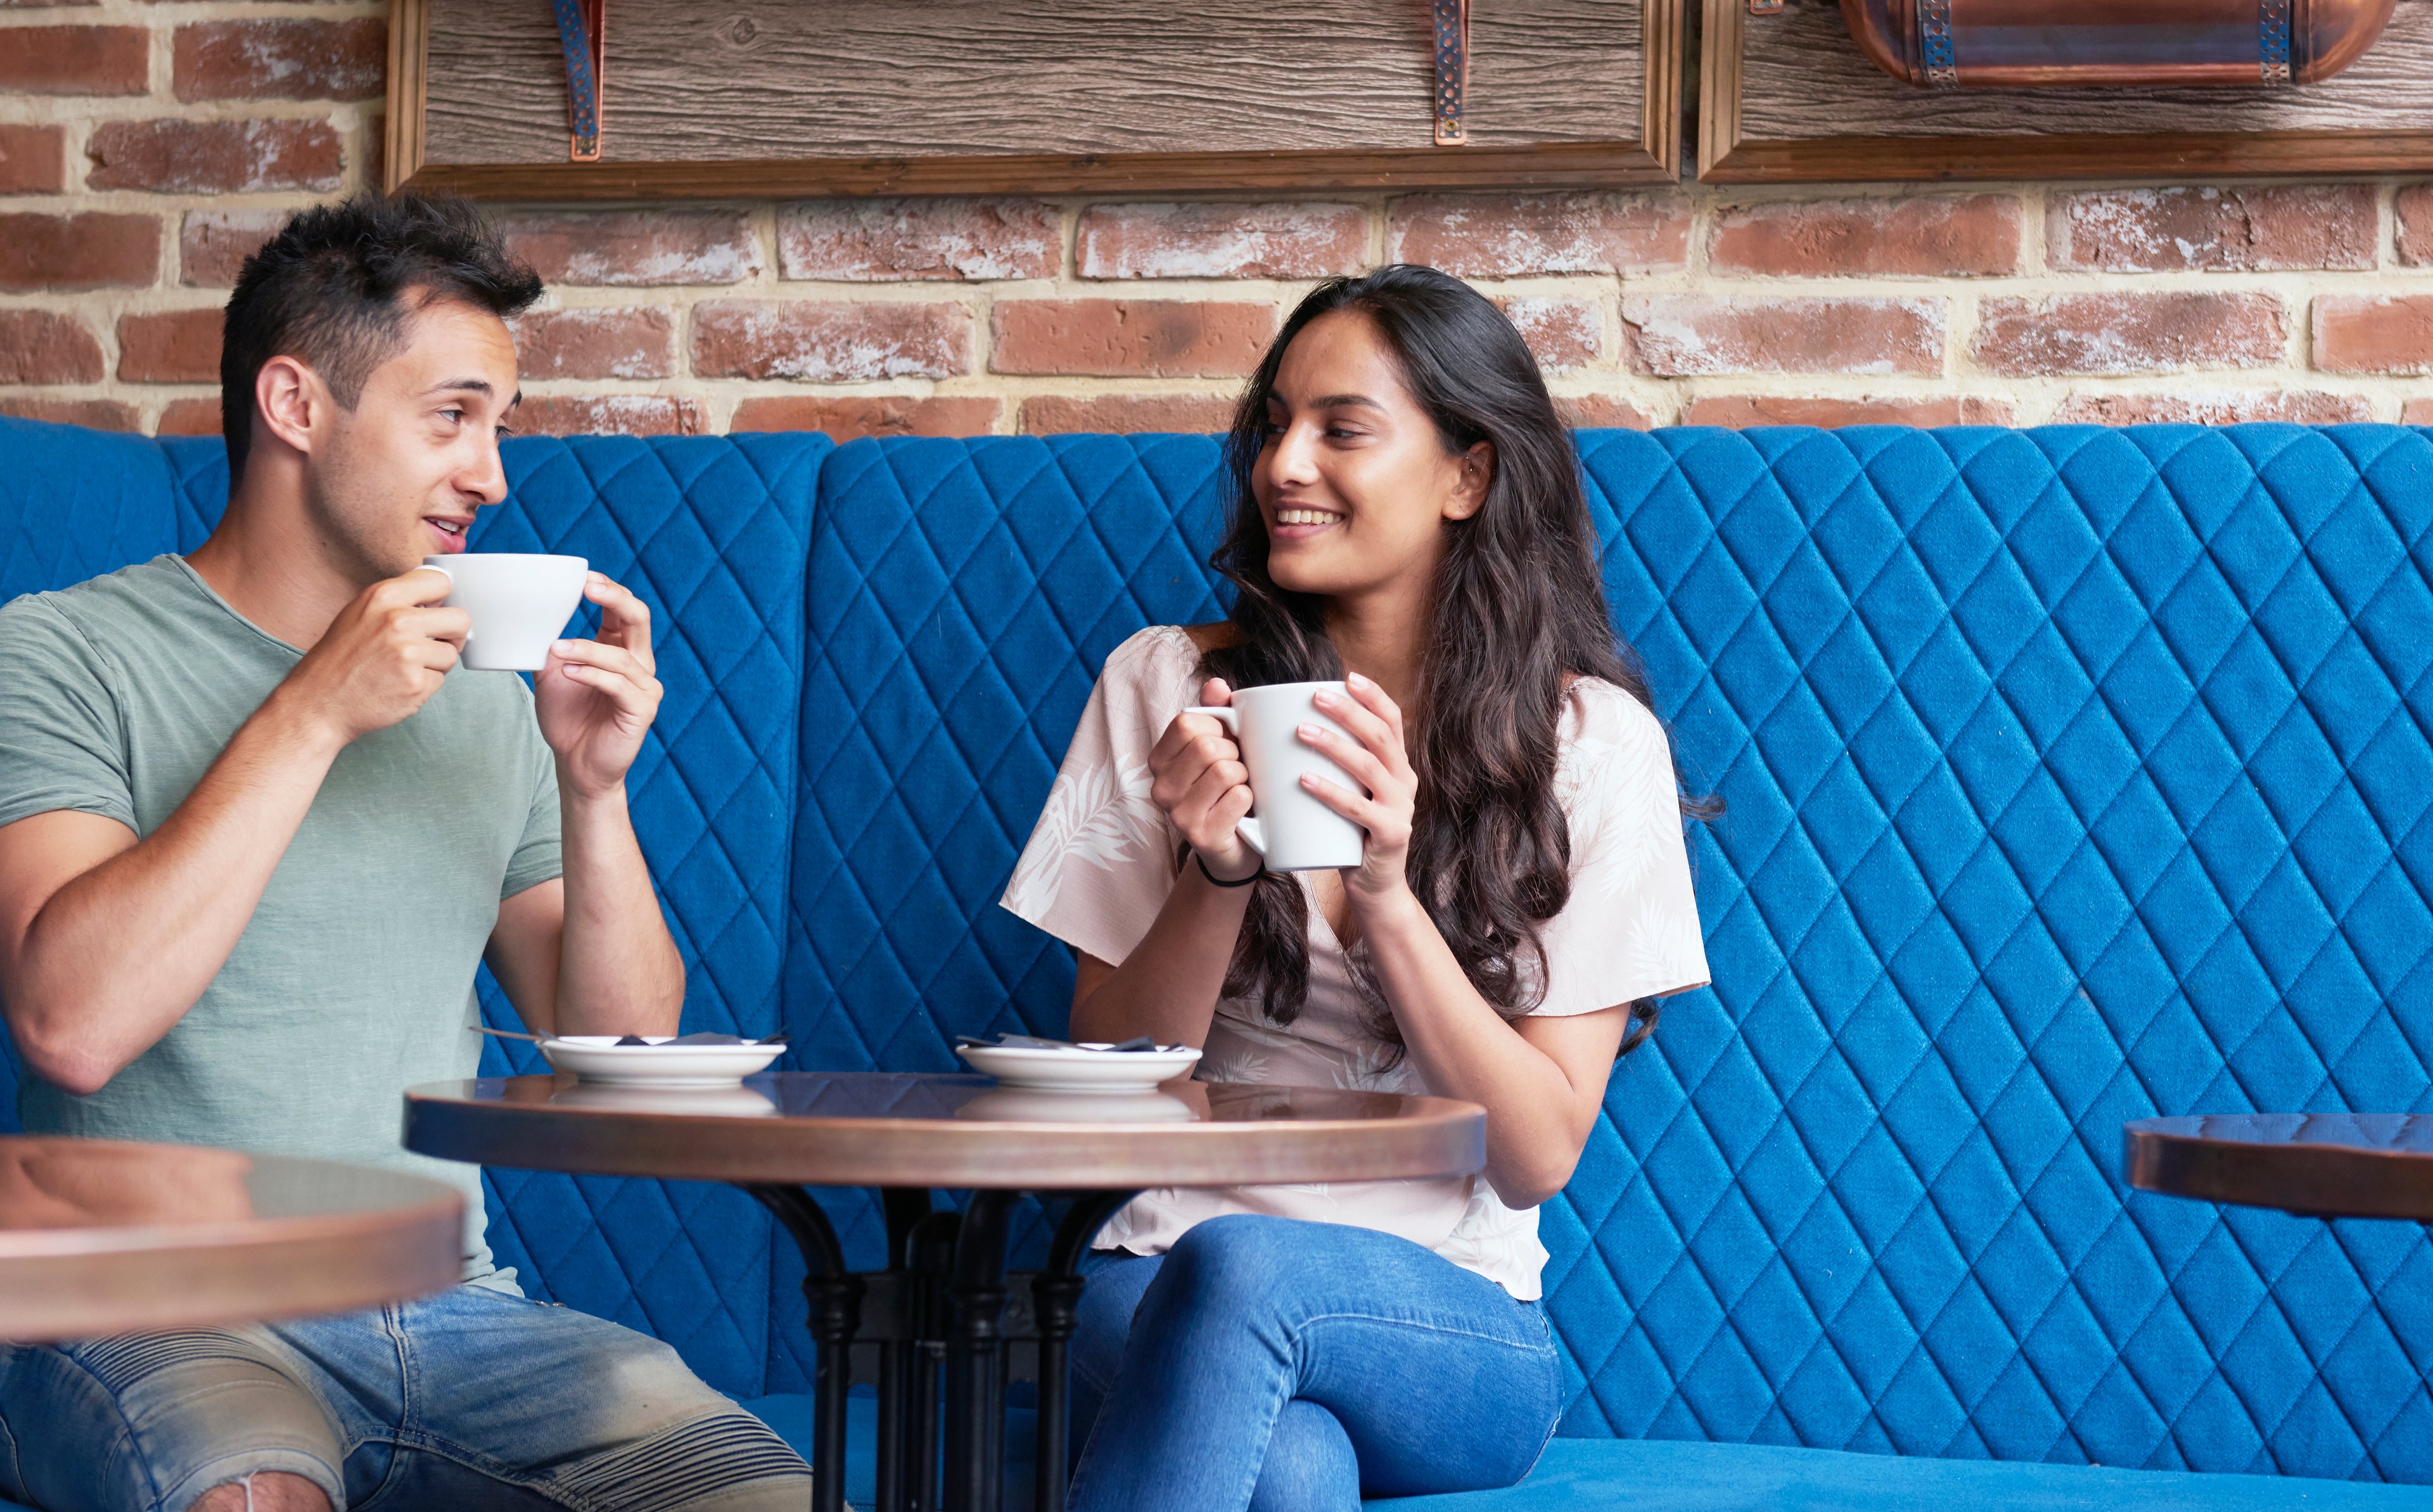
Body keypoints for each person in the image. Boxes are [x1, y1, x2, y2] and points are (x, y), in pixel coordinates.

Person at [0, 194, 810, 1511]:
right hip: (145, 1301)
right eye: (451, 417)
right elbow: (72, 1024)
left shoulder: (489, 702)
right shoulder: (60, 651)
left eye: (499, 425)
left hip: (448, 1315)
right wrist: (316, 710)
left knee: (762, 1498)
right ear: (294, 405)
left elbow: (618, 1056)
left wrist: (593, 790)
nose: (493, 475)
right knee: (248, 1497)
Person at [1002, 264, 1712, 1509]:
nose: (1284, 465)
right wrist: (1220, 872)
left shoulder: (1596, 747)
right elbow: (1112, 1085)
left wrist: (1385, 895)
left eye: (1342, 430)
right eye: (1277, 424)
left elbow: (1535, 1155)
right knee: (1291, 1469)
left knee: (1250, 1272)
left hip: (1451, 1321)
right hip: (1155, 1274)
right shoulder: (1162, 684)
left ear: (1467, 476)